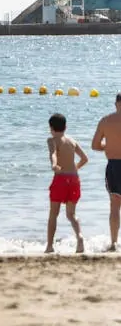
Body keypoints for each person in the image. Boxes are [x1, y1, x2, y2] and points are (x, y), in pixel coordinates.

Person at [46, 113, 88, 254]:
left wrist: (54, 165)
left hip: (61, 179)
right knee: (71, 214)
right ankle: (80, 238)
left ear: (51, 128)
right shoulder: (72, 141)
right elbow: (85, 158)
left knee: (53, 214)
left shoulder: (52, 140)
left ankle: (50, 246)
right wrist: (75, 168)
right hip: (74, 180)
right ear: (66, 127)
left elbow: (53, 154)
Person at [91, 93, 121, 251]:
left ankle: (114, 243)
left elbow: (95, 145)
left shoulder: (105, 121)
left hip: (114, 166)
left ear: (116, 103)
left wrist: (108, 147)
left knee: (115, 206)